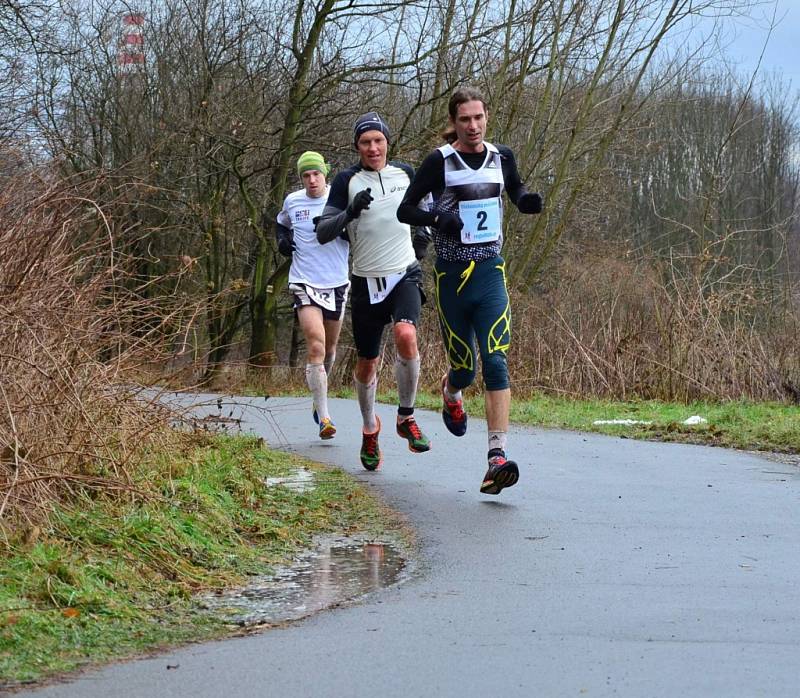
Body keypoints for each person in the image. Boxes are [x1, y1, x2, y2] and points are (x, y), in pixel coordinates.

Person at [397, 87, 543, 495]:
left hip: (490, 273)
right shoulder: (439, 162)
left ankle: (496, 458)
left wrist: (526, 201)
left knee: (496, 360)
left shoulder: (503, 156)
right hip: (451, 278)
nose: (473, 126)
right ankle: (451, 389)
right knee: (466, 367)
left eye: (479, 118)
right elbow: (405, 209)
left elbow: (514, 189)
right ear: (454, 123)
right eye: (465, 120)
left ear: (487, 117)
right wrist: (437, 219)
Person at [315, 112, 431, 471]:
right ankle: (369, 428)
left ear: (387, 142)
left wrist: (423, 237)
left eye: (378, 140)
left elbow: (424, 207)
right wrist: (349, 212)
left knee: (406, 333)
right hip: (366, 282)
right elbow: (322, 232)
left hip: (404, 273)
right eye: (365, 142)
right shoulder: (346, 180)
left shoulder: (406, 173)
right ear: (357, 147)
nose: (373, 147)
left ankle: (405, 416)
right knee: (367, 364)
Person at [275, 151, 350, 440]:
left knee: (329, 351)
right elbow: (281, 222)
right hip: (303, 281)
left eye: (316, 173)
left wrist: (345, 233)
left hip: (336, 283)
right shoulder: (293, 201)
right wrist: (282, 239)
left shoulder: (339, 198)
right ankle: (325, 417)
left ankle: (318, 400)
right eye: (306, 175)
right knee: (316, 347)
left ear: (325, 173)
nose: (312, 180)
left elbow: (356, 227)